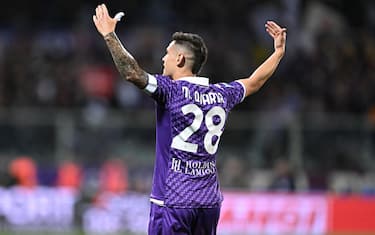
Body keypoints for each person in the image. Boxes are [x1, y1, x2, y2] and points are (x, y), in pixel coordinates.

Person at [93, 3, 286, 234]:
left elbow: (131, 72)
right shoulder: (221, 93)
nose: (163, 58)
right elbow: (254, 81)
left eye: (168, 53)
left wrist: (109, 35)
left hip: (172, 200)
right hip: (208, 202)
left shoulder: (170, 91)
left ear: (181, 59)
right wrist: (278, 53)